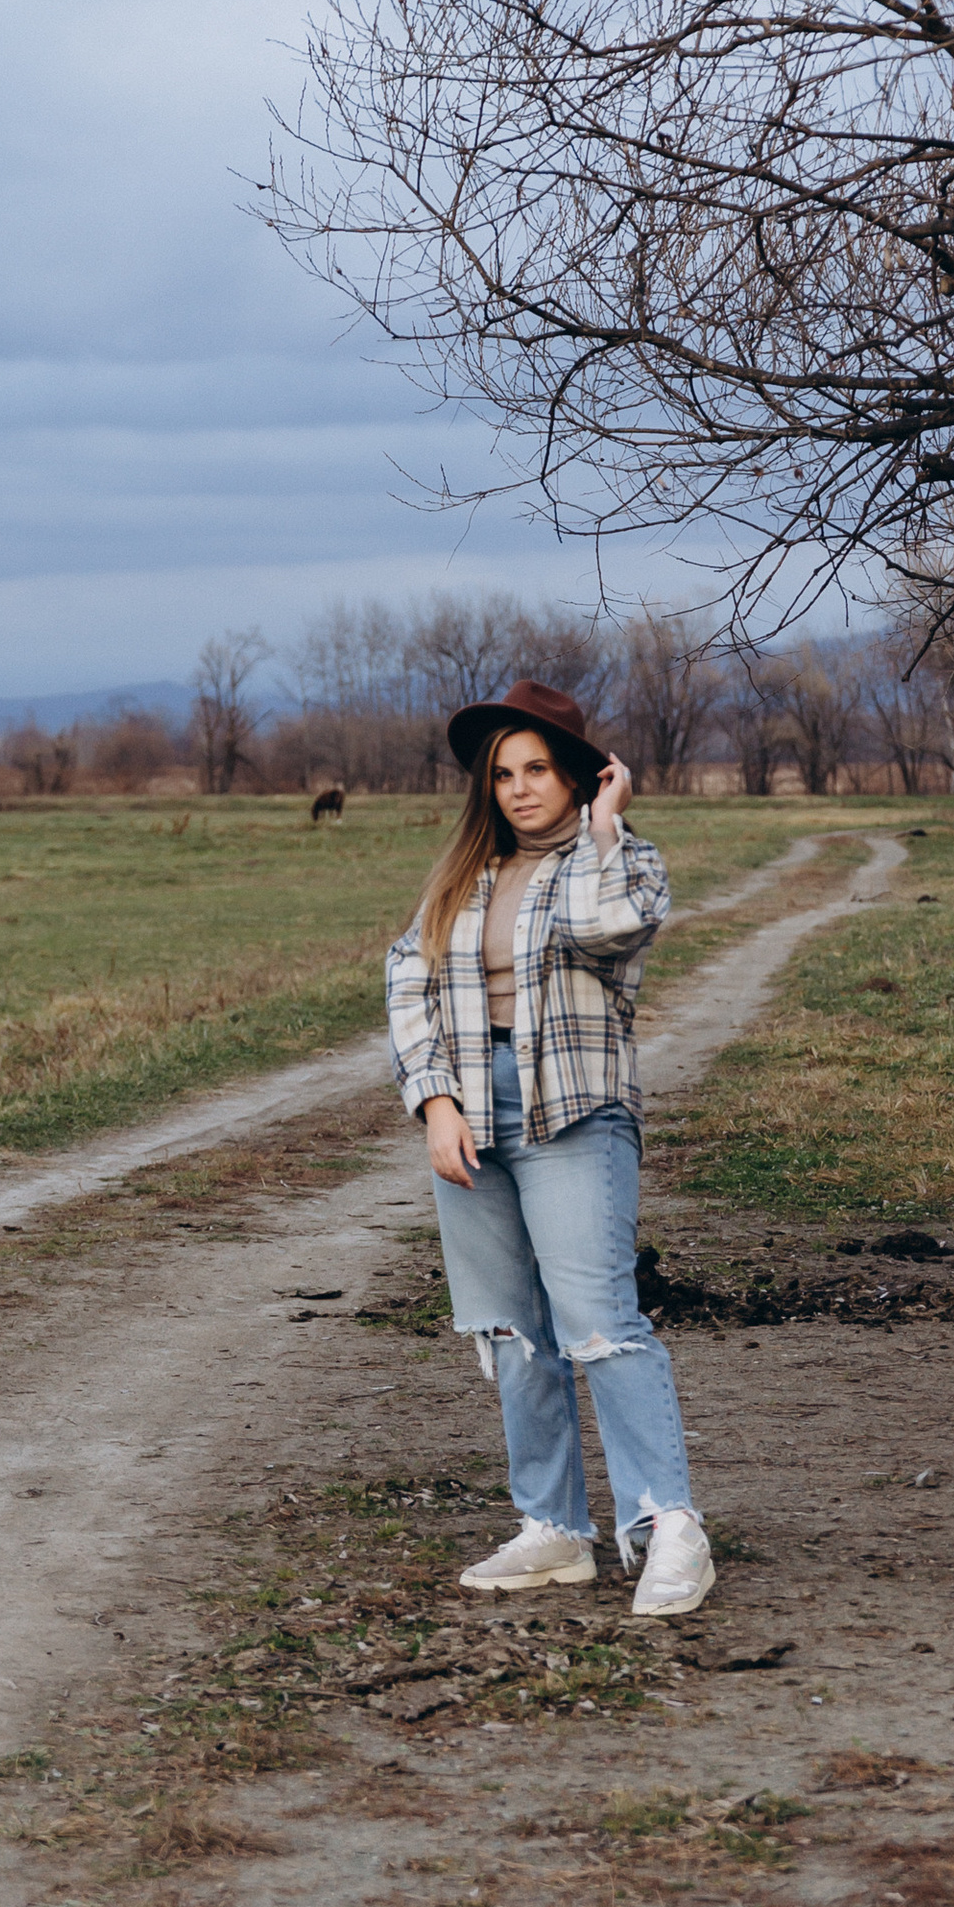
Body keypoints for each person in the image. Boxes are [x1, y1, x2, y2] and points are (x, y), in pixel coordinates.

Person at [385, 677, 715, 1618]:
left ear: (580, 775)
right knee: (511, 1333)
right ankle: (556, 1532)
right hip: (471, 1116)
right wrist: (437, 1101)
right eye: (502, 774)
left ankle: (668, 1530)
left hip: (571, 1113)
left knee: (600, 1324)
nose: (520, 788)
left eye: (538, 769)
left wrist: (606, 827)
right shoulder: (463, 878)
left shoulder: (621, 861)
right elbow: (407, 981)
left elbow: (608, 933)